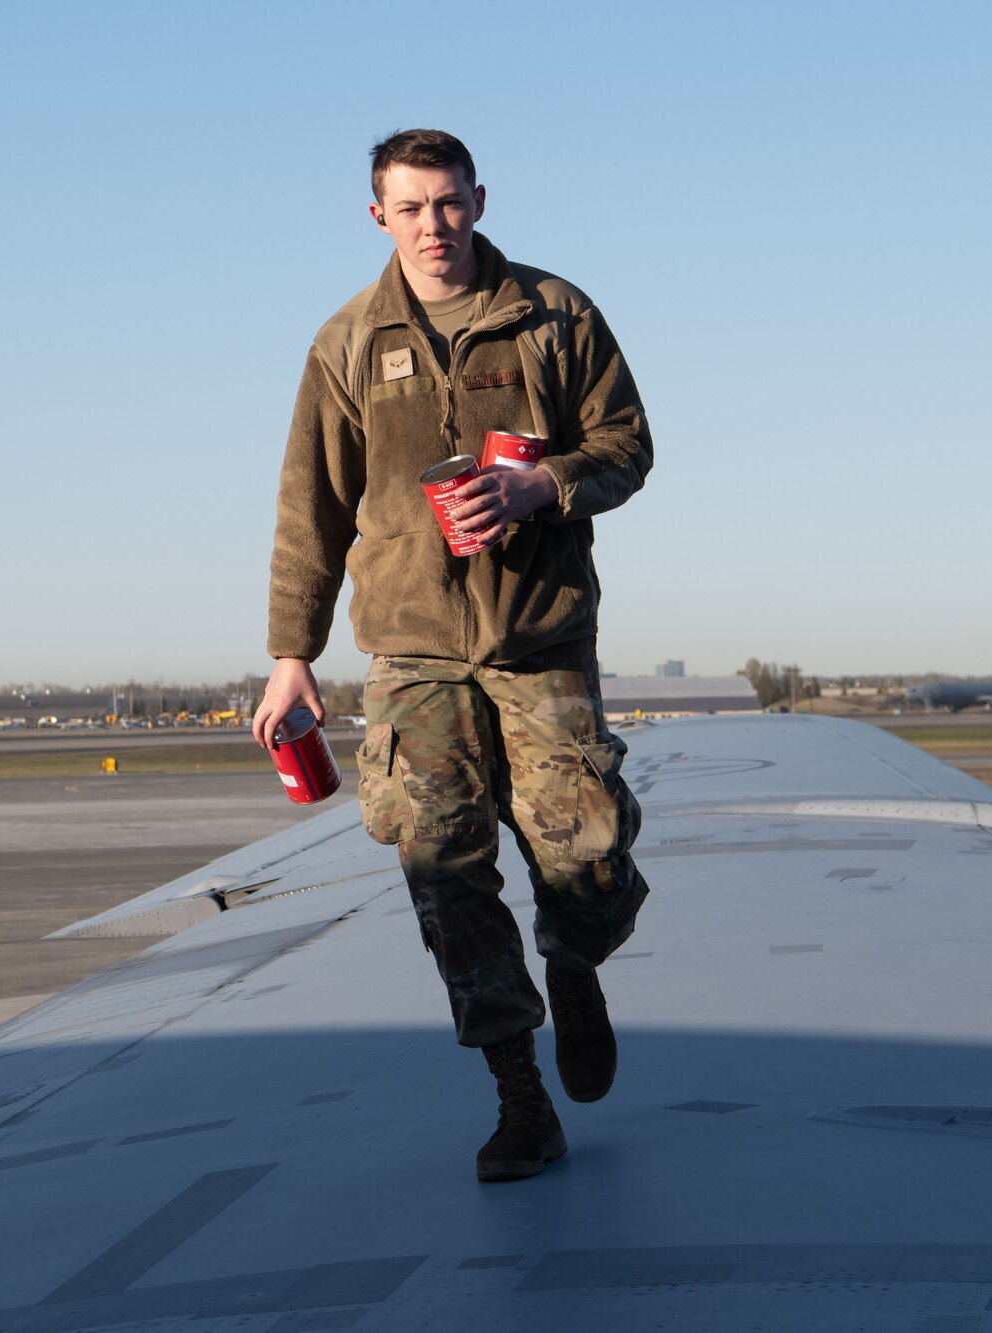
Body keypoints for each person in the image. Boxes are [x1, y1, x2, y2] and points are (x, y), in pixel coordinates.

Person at [252, 129, 652, 1182]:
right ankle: (521, 1099)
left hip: (538, 632)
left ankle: (574, 964)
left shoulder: (552, 315)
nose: (433, 226)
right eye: (410, 207)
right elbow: (311, 508)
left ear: (477, 199)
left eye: (448, 204)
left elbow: (626, 447)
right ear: (375, 214)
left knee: (585, 849)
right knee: (443, 869)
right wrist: (291, 653)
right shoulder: (346, 343)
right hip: (412, 647)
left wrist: (540, 485)